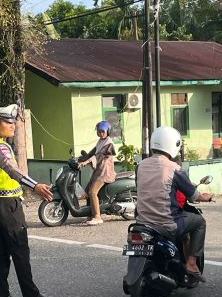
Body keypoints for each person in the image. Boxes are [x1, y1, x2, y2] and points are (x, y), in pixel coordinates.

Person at [0, 104, 57, 297]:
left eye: (13, 121)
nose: (12, 125)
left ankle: (2, 296)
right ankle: (31, 296)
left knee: (1, 250)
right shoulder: (0, 147)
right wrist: (36, 186)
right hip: (6, 203)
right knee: (20, 249)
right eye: (7, 122)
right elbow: (12, 170)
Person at [135, 126, 214, 282]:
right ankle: (191, 264)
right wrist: (207, 196)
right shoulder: (174, 169)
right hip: (167, 223)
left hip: (142, 222)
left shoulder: (141, 166)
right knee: (200, 222)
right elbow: (193, 196)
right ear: (173, 145)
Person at [78, 120, 117, 225]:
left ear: (108, 131)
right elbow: (92, 153)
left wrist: (87, 162)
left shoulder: (109, 144)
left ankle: (97, 217)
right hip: (98, 172)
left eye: (103, 131)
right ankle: (90, 214)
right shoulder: (100, 142)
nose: (101, 133)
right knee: (86, 192)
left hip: (105, 173)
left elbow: (99, 156)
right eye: (99, 131)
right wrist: (79, 159)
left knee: (92, 192)